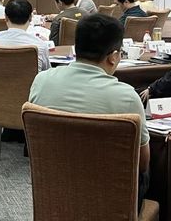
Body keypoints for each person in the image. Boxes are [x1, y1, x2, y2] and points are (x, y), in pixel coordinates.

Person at [29, 13, 150, 211]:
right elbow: (142, 162)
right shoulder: (126, 97)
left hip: (54, 190)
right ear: (114, 56)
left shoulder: (41, 81)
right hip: (108, 199)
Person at [0, 0, 51, 72]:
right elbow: (47, 73)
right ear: (30, 18)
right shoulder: (40, 45)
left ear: (6, 17)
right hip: (32, 80)